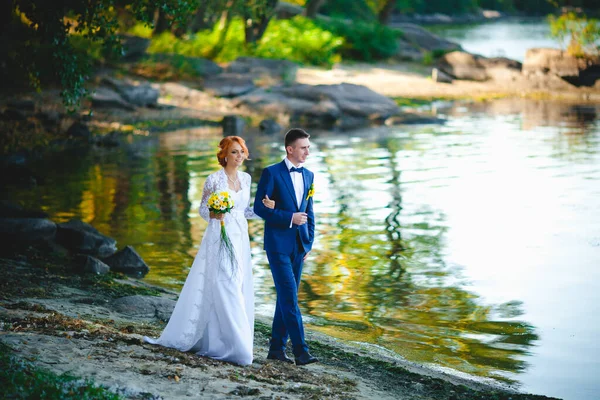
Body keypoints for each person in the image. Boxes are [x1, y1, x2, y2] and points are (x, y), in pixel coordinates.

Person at [144, 136, 274, 366]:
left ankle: (220, 341)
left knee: (237, 283)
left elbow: (244, 211)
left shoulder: (246, 178)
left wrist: (265, 209)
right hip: (219, 236)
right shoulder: (213, 179)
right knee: (227, 284)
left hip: (240, 238)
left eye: (242, 151)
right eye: (234, 152)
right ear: (224, 155)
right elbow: (203, 210)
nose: (239, 156)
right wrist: (215, 213)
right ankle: (239, 347)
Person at [253, 128, 318, 366]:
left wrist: (309, 241)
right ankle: (301, 351)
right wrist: (289, 217)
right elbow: (260, 209)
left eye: (308, 147)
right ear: (290, 149)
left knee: (285, 298)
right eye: (303, 147)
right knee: (290, 298)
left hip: (299, 247)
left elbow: (310, 211)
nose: (307, 152)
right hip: (278, 245)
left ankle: (276, 349)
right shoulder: (271, 173)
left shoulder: (309, 175)